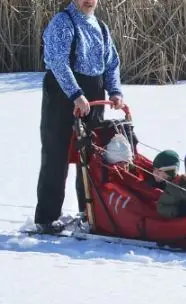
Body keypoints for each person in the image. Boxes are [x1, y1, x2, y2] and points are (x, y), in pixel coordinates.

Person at [34, 0, 124, 234]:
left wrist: (114, 91)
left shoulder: (101, 26)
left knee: (91, 156)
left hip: (94, 93)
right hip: (63, 93)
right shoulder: (63, 22)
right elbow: (57, 62)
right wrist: (76, 94)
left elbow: (112, 63)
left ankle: (89, 213)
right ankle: (47, 217)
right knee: (57, 153)